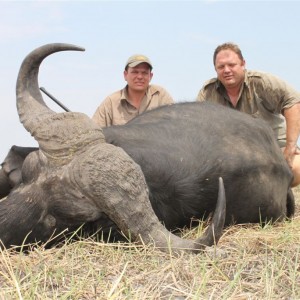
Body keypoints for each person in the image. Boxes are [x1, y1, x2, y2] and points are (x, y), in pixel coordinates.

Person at [197, 42, 300, 187]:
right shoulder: (207, 92)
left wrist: (290, 146)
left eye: (231, 65)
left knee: (296, 167)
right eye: (221, 67)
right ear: (215, 69)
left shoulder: (261, 82)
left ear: (243, 64)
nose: (226, 70)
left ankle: (280, 193)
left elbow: (293, 103)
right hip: (232, 154)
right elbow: (195, 125)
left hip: (273, 147)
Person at [92, 54, 174, 127]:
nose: (140, 76)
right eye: (135, 72)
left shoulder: (161, 96)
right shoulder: (111, 102)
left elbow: (176, 126)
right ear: (125, 75)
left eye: (144, 73)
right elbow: (94, 132)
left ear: (150, 76)